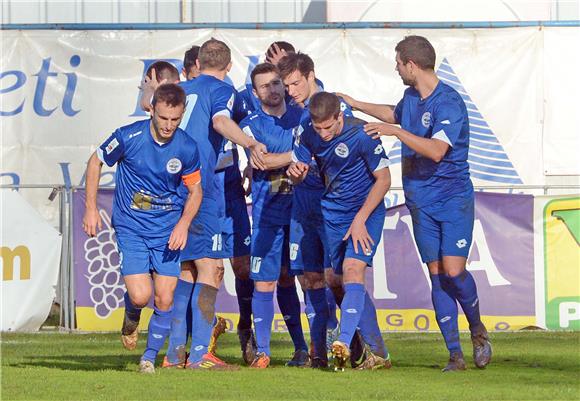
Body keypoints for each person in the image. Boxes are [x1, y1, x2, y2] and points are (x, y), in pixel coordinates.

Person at [338, 35, 492, 372]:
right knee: (436, 276)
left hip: (452, 199)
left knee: (454, 271)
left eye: (398, 63)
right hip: (420, 199)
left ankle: (477, 329)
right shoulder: (410, 98)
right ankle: (455, 355)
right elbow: (394, 114)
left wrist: (395, 133)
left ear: (412, 64)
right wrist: (357, 104)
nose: (396, 69)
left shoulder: (448, 102)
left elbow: (437, 150)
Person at [82, 83, 203, 374]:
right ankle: (132, 315)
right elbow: (96, 161)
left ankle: (148, 358)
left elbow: (196, 189)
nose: (168, 125)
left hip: (168, 230)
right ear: (152, 109)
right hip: (132, 227)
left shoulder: (186, 147)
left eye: (175, 119)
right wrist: (89, 208)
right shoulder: (129, 136)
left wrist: (184, 225)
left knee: (165, 298)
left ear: (182, 114)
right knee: (140, 295)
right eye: (163, 118)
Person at [163, 38, 266, 370]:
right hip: (200, 188)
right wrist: (249, 143)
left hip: (172, 184)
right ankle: (200, 354)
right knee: (213, 268)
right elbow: (221, 122)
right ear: (229, 65)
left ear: (198, 61)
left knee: (187, 269)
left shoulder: (182, 88)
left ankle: (175, 354)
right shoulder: (222, 90)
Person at [278, 53, 384, 368]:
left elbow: (368, 169)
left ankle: (368, 347)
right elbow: (300, 164)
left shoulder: (343, 116)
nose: (291, 91)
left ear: (311, 76)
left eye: (295, 83)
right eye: (286, 86)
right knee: (313, 280)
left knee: (341, 278)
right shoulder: (302, 120)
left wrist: (359, 215)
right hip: (310, 207)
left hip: (341, 209)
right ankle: (323, 352)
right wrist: (296, 173)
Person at [239, 63, 308, 369]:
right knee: (265, 282)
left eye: (276, 82)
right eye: (264, 86)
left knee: (305, 279)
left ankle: (307, 348)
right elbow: (263, 162)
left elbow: (315, 153)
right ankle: (263, 351)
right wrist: (296, 156)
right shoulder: (251, 124)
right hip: (268, 212)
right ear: (255, 93)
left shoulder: (303, 115)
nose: (273, 89)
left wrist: (301, 157)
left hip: (302, 212)